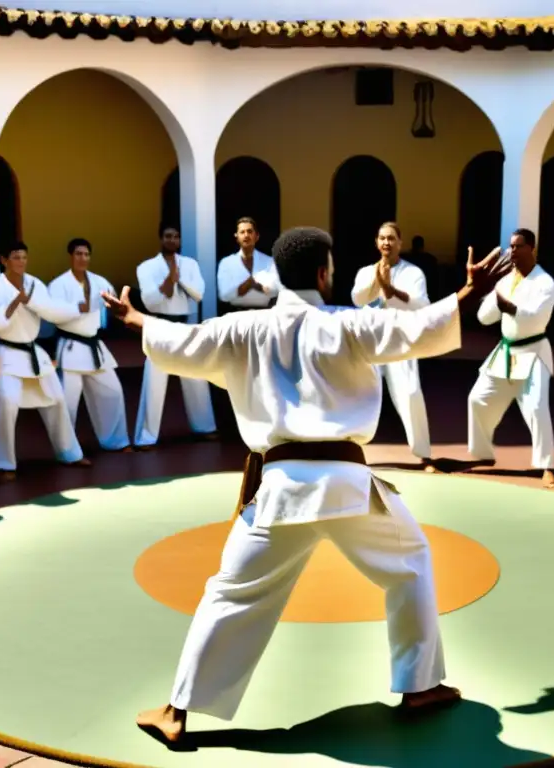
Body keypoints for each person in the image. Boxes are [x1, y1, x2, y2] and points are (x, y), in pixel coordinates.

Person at [102, 226, 510, 746]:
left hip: (279, 491)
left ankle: (177, 711)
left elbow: (182, 342)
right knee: (410, 564)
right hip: (348, 486)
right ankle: (419, 686)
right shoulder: (350, 326)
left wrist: (135, 317)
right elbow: (415, 331)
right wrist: (466, 293)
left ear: (277, 274)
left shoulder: (243, 329)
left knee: (230, 594)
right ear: (323, 272)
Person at [0, 241, 89, 478]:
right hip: (7, 353)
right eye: (16, 257)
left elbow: (49, 310)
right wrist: (14, 303)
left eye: (24, 257)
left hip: (34, 353)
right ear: (4, 260)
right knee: (7, 401)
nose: (21, 262)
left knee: (57, 398)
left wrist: (75, 309)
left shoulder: (35, 284)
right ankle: (4, 463)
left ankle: (69, 453)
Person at [467, 229, 554, 487]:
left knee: (537, 407)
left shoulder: (546, 283)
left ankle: (546, 465)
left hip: (533, 352)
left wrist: (511, 307)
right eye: (511, 247)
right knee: (478, 400)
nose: (513, 252)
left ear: (533, 249)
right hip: (505, 352)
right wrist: (489, 295)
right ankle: (483, 455)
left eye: (518, 246)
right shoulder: (505, 281)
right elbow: (484, 318)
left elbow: (538, 318)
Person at [351, 222, 434, 468]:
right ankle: (353, 453)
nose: (386, 243)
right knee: (364, 396)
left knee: (410, 393)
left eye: (391, 238)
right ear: (377, 242)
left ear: (400, 242)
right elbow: (357, 299)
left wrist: (391, 290)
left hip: (400, 341)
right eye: (382, 238)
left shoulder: (413, 273)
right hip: (373, 341)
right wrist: (377, 283)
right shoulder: (366, 272)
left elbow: (422, 305)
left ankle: (423, 454)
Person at [133, 224, 217, 447]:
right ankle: (146, 437)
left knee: (196, 377)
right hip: (159, 324)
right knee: (154, 381)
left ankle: (204, 427)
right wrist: (168, 280)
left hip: (185, 324)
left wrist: (179, 279)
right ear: (161, 239)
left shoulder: (190, 265)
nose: (172, 240)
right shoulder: (147, 267)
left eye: (176, 236)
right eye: (168, 236)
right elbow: (149, 301)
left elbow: (198, 295)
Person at [48, 238, 130, 452]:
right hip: (71, 347)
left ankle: (116, 441)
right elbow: (52, 313)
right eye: (78, 254)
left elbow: (112, 308)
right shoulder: (58, 284)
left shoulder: (100, 282)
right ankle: (66, 451)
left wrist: (117, 307)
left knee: (113, 392)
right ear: (70, 256)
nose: (82, 258)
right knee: (67, 402)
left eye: (86, 254)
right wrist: (77, 308)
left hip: (95, 347)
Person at [216, 217, 281, 311]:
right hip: (236, 314)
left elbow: (276, 290)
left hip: (264, 313)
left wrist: (256, 285)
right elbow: (224, 295)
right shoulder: (226, 263)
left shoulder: (269, 261)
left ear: (257, 236)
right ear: (236, 237)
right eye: (242, 232)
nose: (246, 235)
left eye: (250, 231)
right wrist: (246, 285)